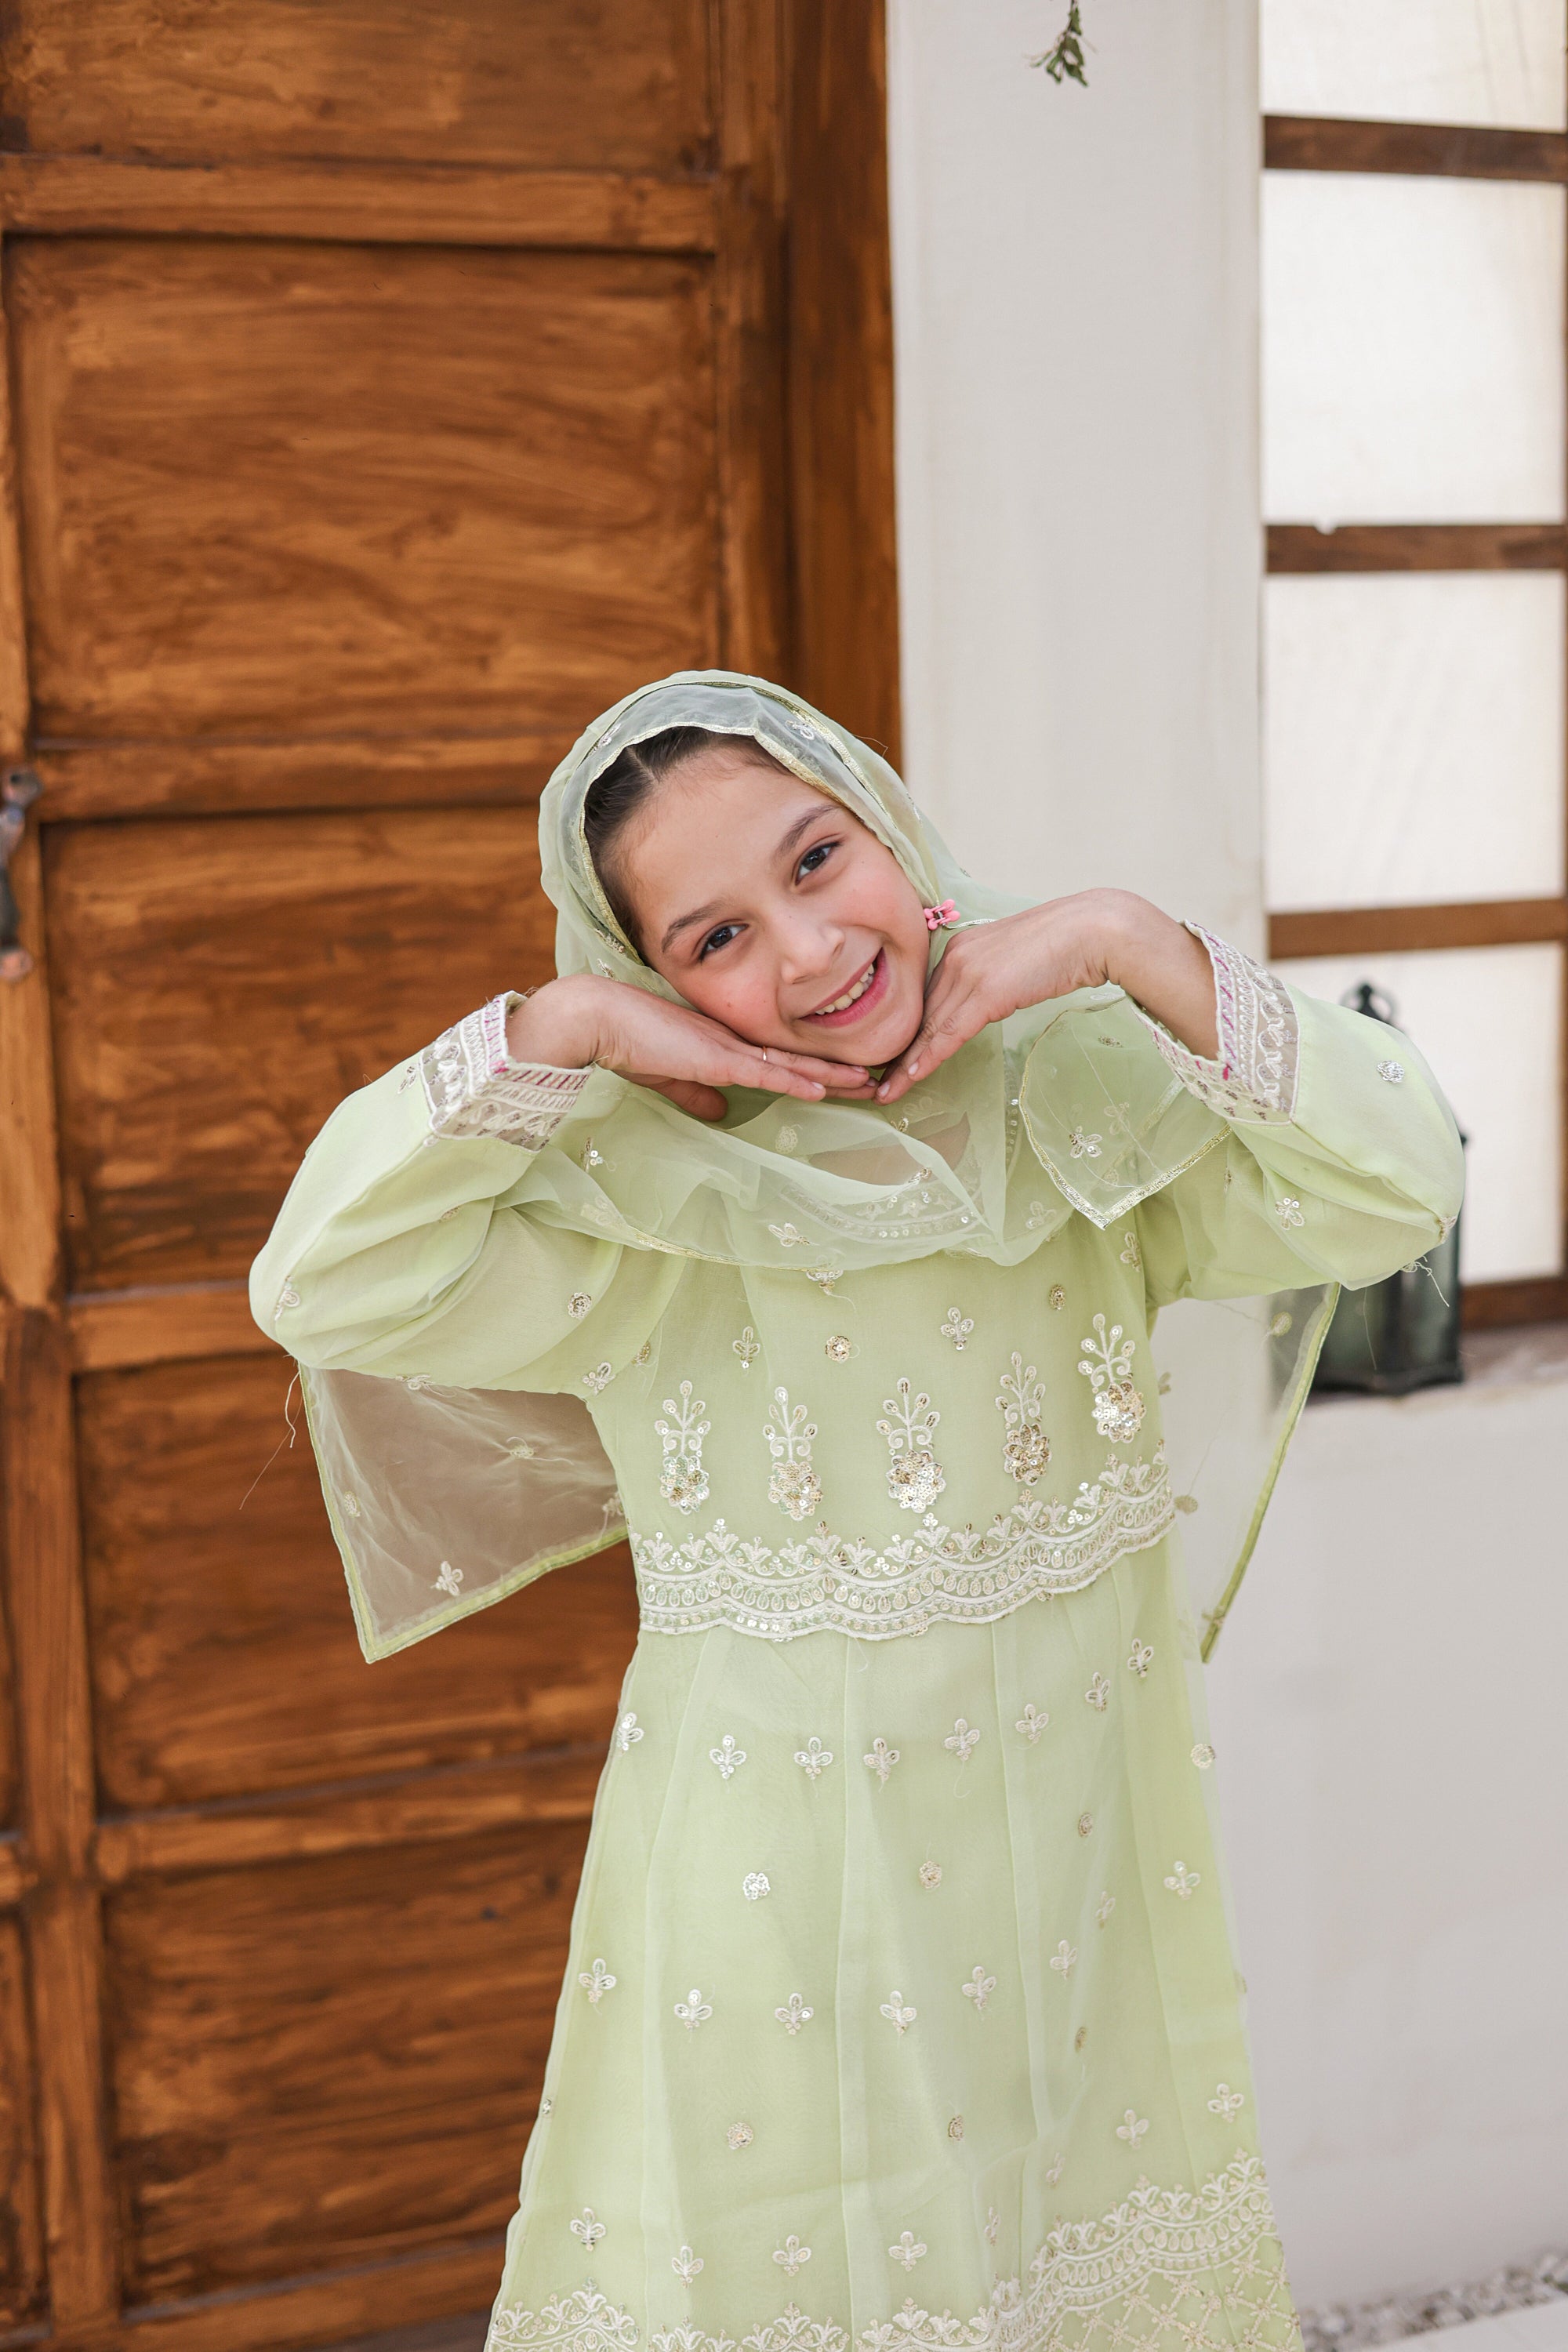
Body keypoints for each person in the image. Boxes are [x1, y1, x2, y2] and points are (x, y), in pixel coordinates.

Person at [252, 671, 1463, 2352]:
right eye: (711, 940)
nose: (807, 951)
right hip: (782, 1929)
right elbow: (321, 1281)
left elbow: (1398, 1180)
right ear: (649, 978)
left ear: (888, 824)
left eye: (817, 861)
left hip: (1081, 1905)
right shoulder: (641, 1210)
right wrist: (569, 1035)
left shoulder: (1081, 1117)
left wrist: (1122, 940)